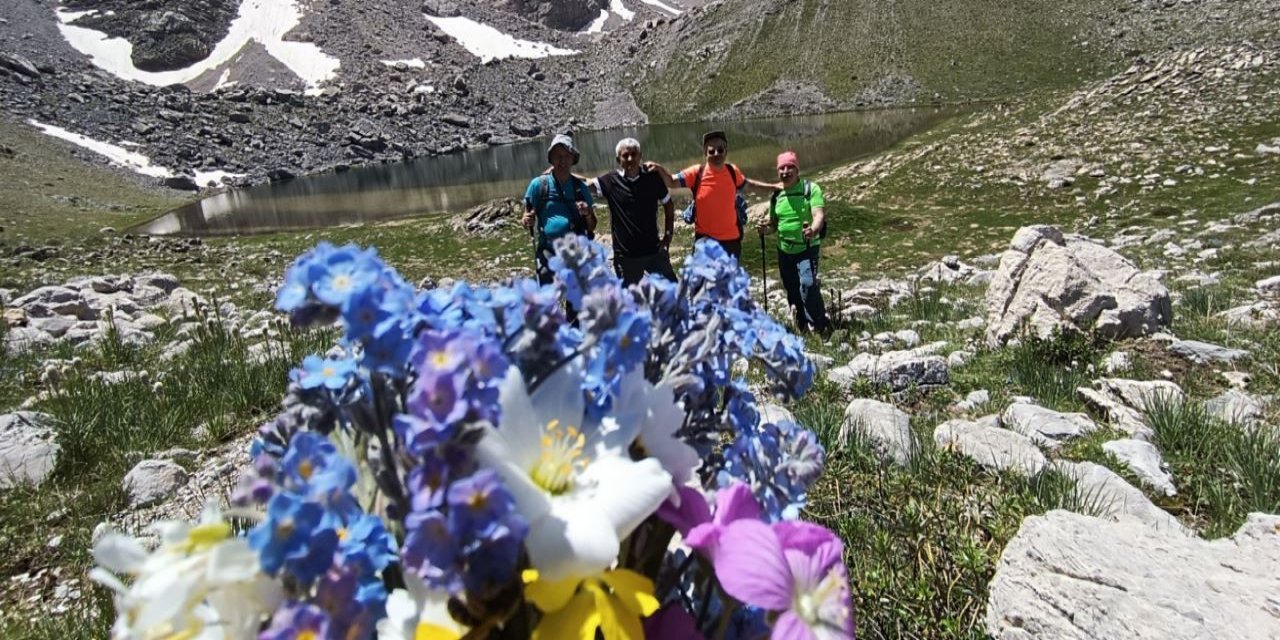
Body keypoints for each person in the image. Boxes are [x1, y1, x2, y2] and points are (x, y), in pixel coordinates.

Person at [646, 130, 777, 260]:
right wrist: (659, 168)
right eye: (711, 151)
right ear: (705, 153)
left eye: (720, 150)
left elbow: (749, 185)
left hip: (731, 242)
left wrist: (773, 187)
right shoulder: (697, 172)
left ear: (726, 150)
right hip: (704, 242)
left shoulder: (732, 171)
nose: (716, 154)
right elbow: (672, 182)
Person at [587, 137, 678, 285]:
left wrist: (667, 237)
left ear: (640, 156)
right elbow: (586, 184)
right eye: (625, 155)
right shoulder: (610, 181)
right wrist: (560, 172)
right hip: (626, 257)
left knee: (672, 290)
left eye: (634, 154)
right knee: (630, 302)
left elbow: (669, 205)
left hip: (653, 251)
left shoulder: (652, 178)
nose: (630, 159)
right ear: (618, 159)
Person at [758, 150, 830, 333]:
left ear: (797, 170)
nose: (785, 171)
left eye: (790, 167)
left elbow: (818, 215)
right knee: (791, 287)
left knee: (807, 284)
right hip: (784, 250)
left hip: (806, 247)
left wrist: (813, 230)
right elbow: (774, 223)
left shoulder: (810, 189)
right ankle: (802, 325)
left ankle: (819, 324)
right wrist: (767, 229)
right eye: (782, 168)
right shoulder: (776, 196)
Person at [521, 134, 596, 287]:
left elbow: (592, 226)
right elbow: (526, 215)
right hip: (548, 250)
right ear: (551, 159)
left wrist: (587, 213)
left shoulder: (580, 188)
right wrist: (527, 220)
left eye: (566, 156)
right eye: (557, 156)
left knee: (575, 302)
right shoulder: (538, 185)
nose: (562, 161)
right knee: (547, 297)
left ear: (572, 159)